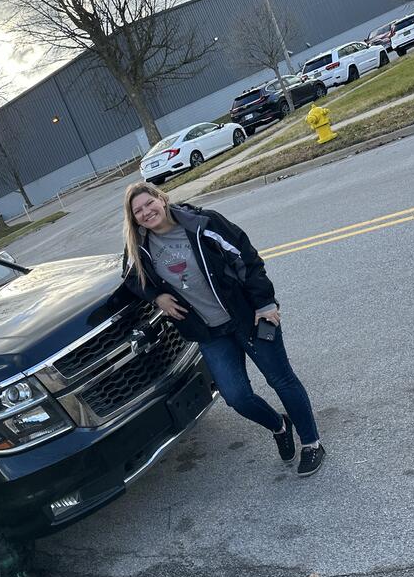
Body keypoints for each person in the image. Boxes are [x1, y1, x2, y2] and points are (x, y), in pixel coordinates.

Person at [120, 181, 325, 476]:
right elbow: (129, 277)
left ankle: (311, 443)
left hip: (248, 317)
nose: (146, 212)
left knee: (281, 379)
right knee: (236, 397)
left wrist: (265, 303)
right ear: (134, 219)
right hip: (210, 332)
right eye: (138, 211)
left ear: (161, 199)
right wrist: (157, 297)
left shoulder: (203, 223)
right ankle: (279, 425)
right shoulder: (139, 247)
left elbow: (247, 258)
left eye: (148, 203)